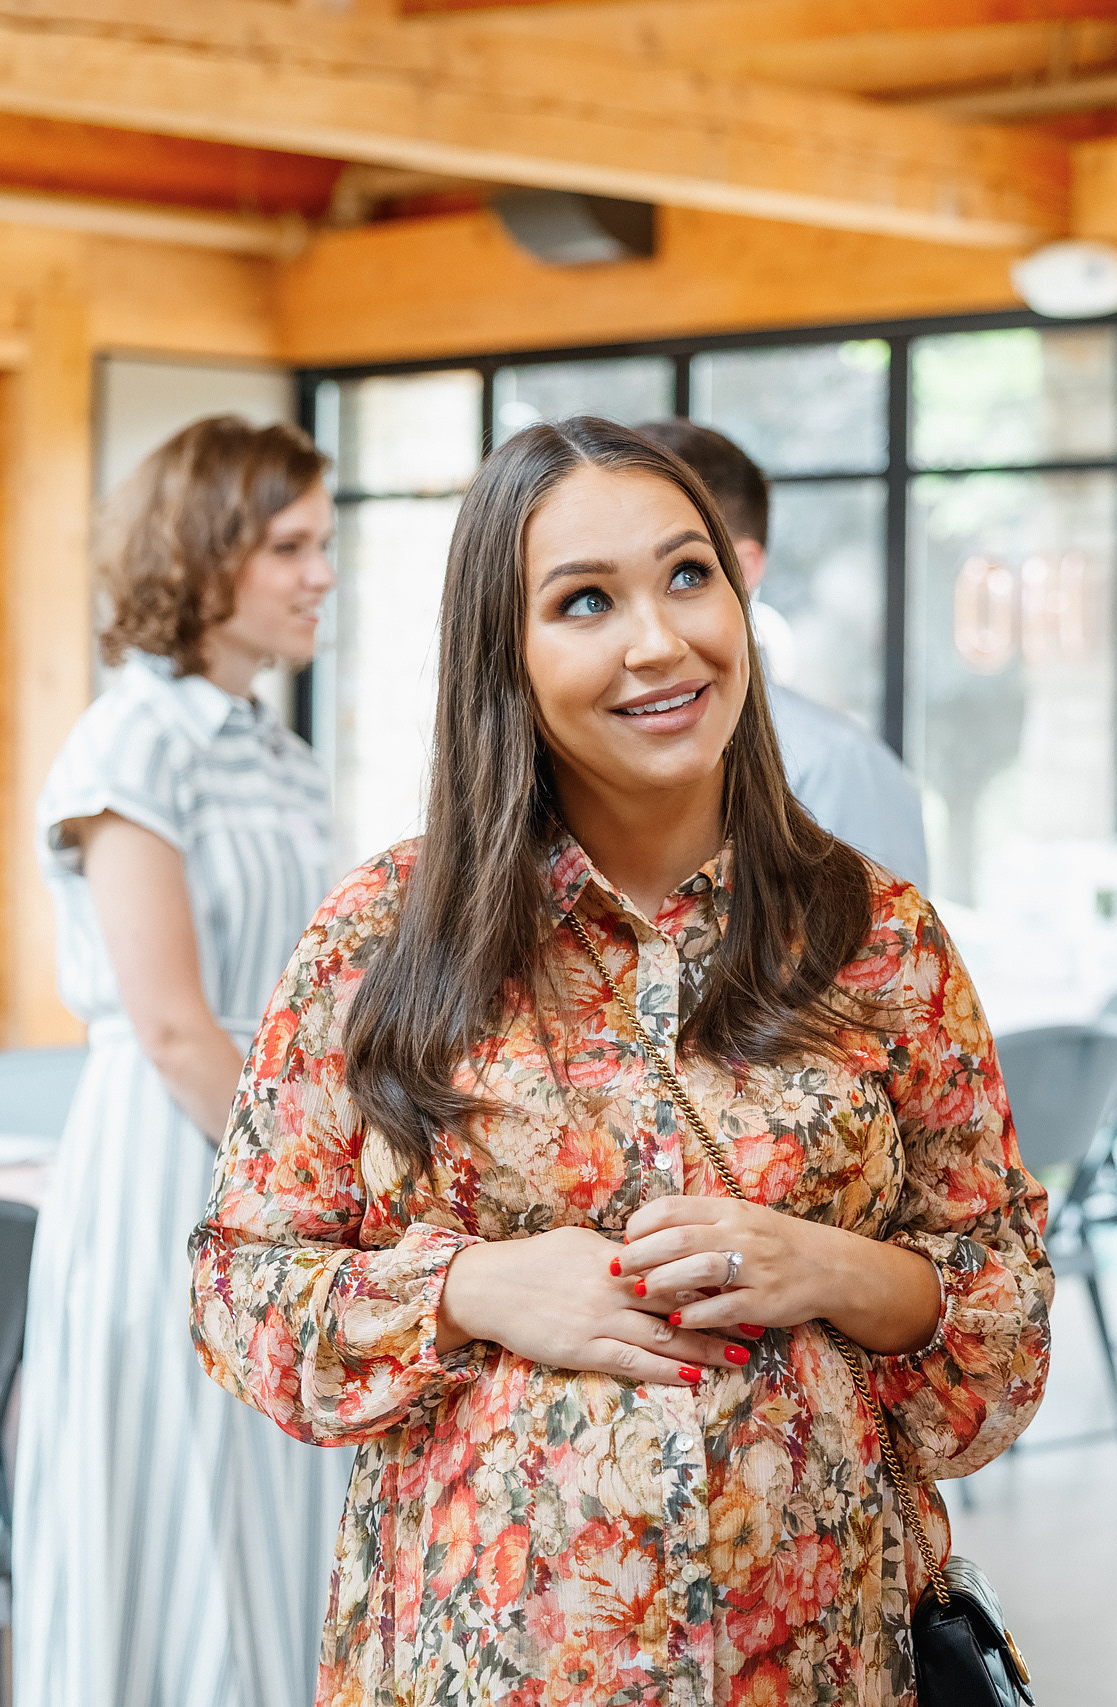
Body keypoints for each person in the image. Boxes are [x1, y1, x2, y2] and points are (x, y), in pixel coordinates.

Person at [188, 417, 1052, 1707]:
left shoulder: (878, 938)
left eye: (687, 576)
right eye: (584, 601)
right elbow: (239, 1290)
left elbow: (1007, 1320)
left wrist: (830, 1267)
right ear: (505, 651)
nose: (659, 641)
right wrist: (473, 1287)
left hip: (816, 1662)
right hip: (485, 1670)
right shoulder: (381, 939)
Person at [15, 417, 354, 1707]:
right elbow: (169, 1026)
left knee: (270, 1501)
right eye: (290, 547)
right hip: (165, 1159)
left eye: (323, 544)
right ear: (206, 555)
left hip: (264, 1152)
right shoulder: (131, 741)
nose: (322, 574)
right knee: (165, 1498)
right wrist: (307, 1185)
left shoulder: (282, 757)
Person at [635, 417, 931, 890]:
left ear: (741, 569)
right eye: (591, 596)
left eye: (686, 573)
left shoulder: (837, 767)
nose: (649, 644)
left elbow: (888, 931)